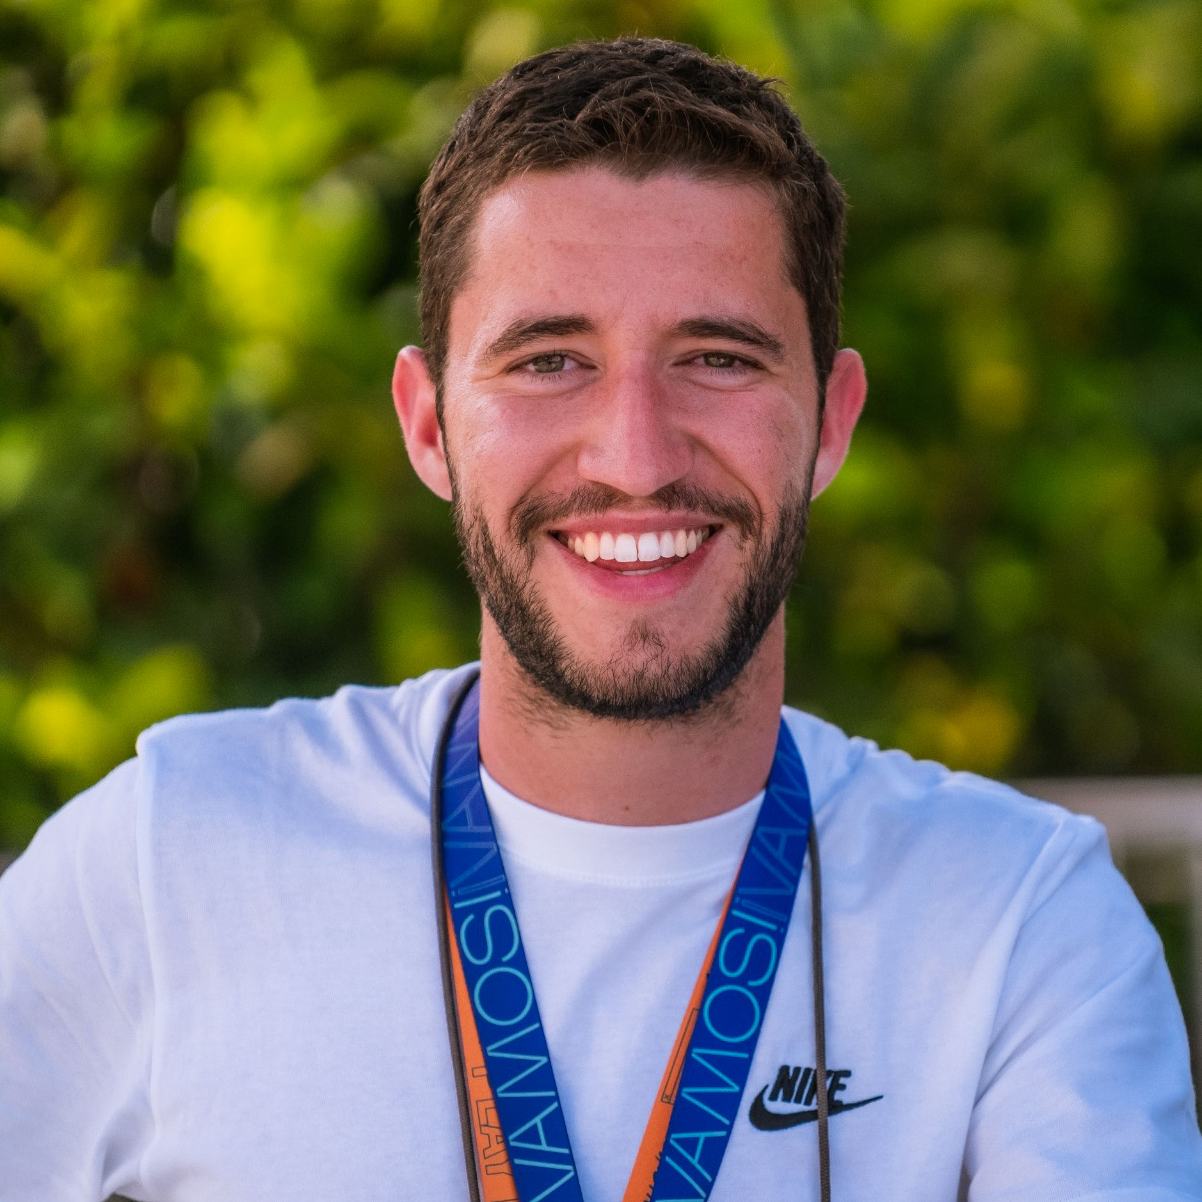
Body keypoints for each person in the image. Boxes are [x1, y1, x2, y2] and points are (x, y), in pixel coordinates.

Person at [1, 36, 1199, 1202]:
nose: (634, 457)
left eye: (716, 358)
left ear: (830, 421)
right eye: (548, 360)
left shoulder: (1020, 924)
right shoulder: (164, 860)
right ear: (427, 425)